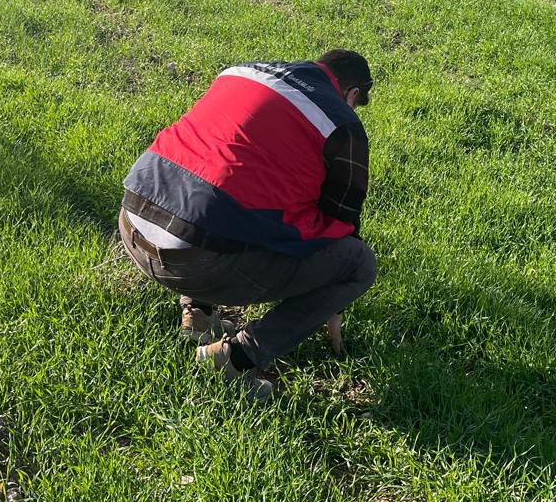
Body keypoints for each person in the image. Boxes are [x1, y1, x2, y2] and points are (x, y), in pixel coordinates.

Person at [118, 49, 377, 396]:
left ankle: (197, 313)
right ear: (353, 94)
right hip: (195, 262)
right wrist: (333, 303)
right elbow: (342, 222)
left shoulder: (241, 72)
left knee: (217, 178)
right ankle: (235, 358)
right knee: (358, 263)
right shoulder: (341, 124)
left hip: (133, 223)